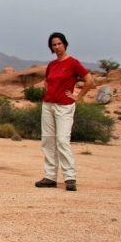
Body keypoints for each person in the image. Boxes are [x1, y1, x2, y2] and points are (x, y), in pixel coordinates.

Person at [35, 32, 94, 191]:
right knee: (48, 140)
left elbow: (89, 80)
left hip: (64, 106)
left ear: (65, 44)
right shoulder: (52, 65)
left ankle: (70, 178)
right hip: (48, 105)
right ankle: (49, 177)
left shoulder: (73, 63)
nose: (57, 47)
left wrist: (78, 96)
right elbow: (48, 81)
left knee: (62, 140)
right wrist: (50, 92)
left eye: (59, 44)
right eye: (54, 45)